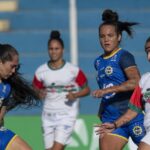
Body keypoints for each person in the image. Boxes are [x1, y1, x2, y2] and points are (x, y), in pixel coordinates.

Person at [92, 9, 146, 150]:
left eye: (110, 35)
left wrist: (107, 90)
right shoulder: (98, 62)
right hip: (111, 119)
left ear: (119, 37)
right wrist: (103, 106)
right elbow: (107, 87)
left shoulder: (124, 56)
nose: (106, 39)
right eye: (102, 36)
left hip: (133, 116)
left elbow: (136, 82)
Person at [32, 30, 90, 150]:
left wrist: (75, 95)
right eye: (51, 48)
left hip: (66, 115)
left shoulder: (73, 70)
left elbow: (87, 89)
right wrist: (39, 93)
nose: (53, 51)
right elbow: (35, 89)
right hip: (47, 116)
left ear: (62, 50)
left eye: (56, 48)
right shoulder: (40, 71)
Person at [96, 37, 150, 150]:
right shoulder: (144, 80)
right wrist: (115, 124)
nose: (148, 57)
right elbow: (133, 110)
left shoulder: (124, 57)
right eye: (147, 52)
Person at [0, 44, 39, 150]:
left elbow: (1, 116)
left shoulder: (6, 86)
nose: (13, 71)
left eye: (15, 67)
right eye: (12, 66)